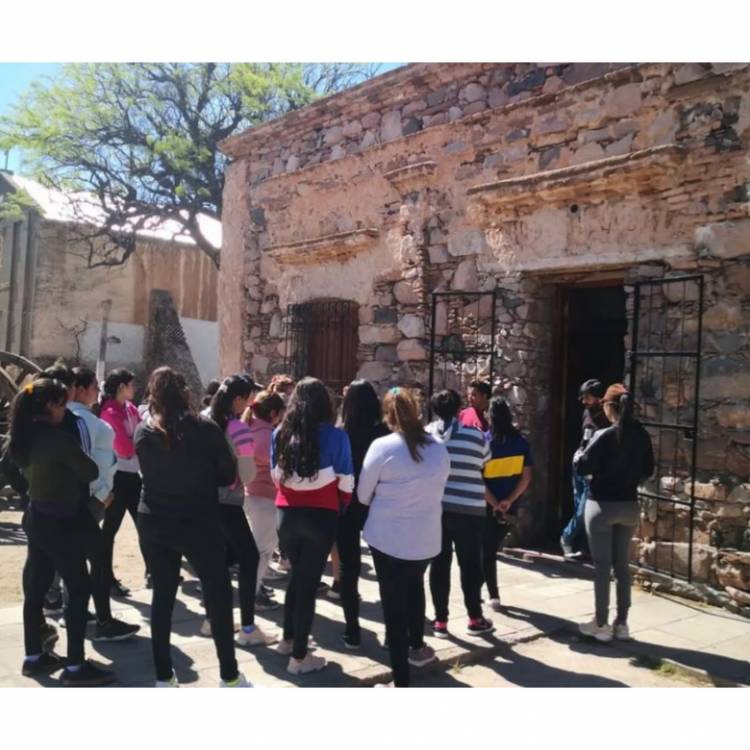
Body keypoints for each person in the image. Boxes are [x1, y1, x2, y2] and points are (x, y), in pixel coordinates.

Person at [135, 367, 250, 687]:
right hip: (198, 519)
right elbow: (227, 475)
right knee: (218, 594)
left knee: (163, 596)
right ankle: (229, 676)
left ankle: (163, 676)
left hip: (154, 518)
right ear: (185, 392)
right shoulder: (205, 428)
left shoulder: (143, 431)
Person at [10, 378, 115, 686]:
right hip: (61, 523)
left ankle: (34, 657)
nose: (64, 409)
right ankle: (75, 667)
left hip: (37, 516)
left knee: (37, 587)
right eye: (61, 403)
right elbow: (91, 471)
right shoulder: (56, 439)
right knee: (79, 589)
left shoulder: (23, 437)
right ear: (49, 406)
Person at [358, 387, 450, 687]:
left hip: (387, 538)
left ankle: (400, 681)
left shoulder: (382, 447)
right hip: (425, 539)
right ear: (417, 411)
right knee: (414, 591)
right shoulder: (438, 447)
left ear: (388, 415)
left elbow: (362, 494)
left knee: (393, 608)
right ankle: (418, 648)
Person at [271, 377, 354, 675]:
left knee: (297, 578)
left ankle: (288, 638)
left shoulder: (280, 432)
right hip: (321, 516)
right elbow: (346, 482)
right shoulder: (336, 436)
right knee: (307, 587)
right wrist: (340, 507)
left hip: (287, 514)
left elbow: (274, 475)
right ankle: (299, 657)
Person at [574, 383, 654, 643]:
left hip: (601, 505)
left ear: (609, 407)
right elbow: (649, 470)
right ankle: (622, 623)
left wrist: (578, 456)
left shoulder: (605, 435)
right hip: (629, 505)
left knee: (601, 567)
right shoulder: (642, 436)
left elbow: (582, 464)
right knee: (622, 566)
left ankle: (600, 623)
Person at [66, 367, 140, 641]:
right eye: (94, 385)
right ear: (81, 388)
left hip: (60, 501)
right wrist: (102, 493)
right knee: (94, 558)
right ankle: (102, 623)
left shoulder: (60, 419)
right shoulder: (96, 422)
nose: (98, 390)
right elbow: (105, 463)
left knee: (70, 560)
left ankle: (73, 617)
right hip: (92, 497)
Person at [205, 375, 275, 647]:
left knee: (219, 561)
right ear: (237, 399)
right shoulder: (238, 429)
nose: (250, 403)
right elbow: (246, 475)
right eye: (248, 398)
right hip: (229, 504)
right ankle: (248, 628)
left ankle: (212, 619)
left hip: (203, 502)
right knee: (249, 559)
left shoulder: (204, 420)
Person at [427, 389, 494, 638]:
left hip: (438, 509)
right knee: (470, 565)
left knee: (439, 565)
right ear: (459, 409)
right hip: (470, 510)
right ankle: (474, 617)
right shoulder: (476, 436)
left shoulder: (428, 434)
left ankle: (440, 621)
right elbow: (485, 462)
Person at [337, 379, 390, 649]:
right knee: (385, 568)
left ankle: (352, 630)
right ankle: (393, 628)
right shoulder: (383, 433)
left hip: (345, 506)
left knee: (349, 568)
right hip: (376, 505)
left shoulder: (341, 432)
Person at [481, 397, 533, 611]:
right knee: (491, 548)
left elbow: (478, 477)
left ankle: (491, 594)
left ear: (490, 416)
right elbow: (527, 476)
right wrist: (509, 501)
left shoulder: (484, 442)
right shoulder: (521, 443)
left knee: (486, 550)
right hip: (509, 506)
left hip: (486, 505)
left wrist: (494, 503)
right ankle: (489, 593)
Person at [99, 368, 147, 594]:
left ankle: (153, 571)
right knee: (109, 530)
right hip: (117, 478)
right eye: (131, 385)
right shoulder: (109, 411)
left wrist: (135, 443)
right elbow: (125, 448)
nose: (134, 389)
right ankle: (105, 578)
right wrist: (136, 443)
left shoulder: (130, 408)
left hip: (132, 476)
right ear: (121, 387)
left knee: (145, 525)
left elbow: (142, 437)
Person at [242, 390, 286, 608]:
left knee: (257, 547)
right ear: (274, 413)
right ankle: (253, 592)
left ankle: (254, 588)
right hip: (265, 496)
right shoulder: (270, 435)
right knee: (263, 549)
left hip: (248, 493)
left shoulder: (247, 427)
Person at [561, 379, 610, 560]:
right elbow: (589, 441)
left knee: (586, 509)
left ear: (598, 398)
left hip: (594, 465)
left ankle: (583, 547)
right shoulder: (589, 415)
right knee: (582, 508)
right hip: (583, 465)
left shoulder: (605, 414)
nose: (583, 401)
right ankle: (567, 537)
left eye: (587, 397)